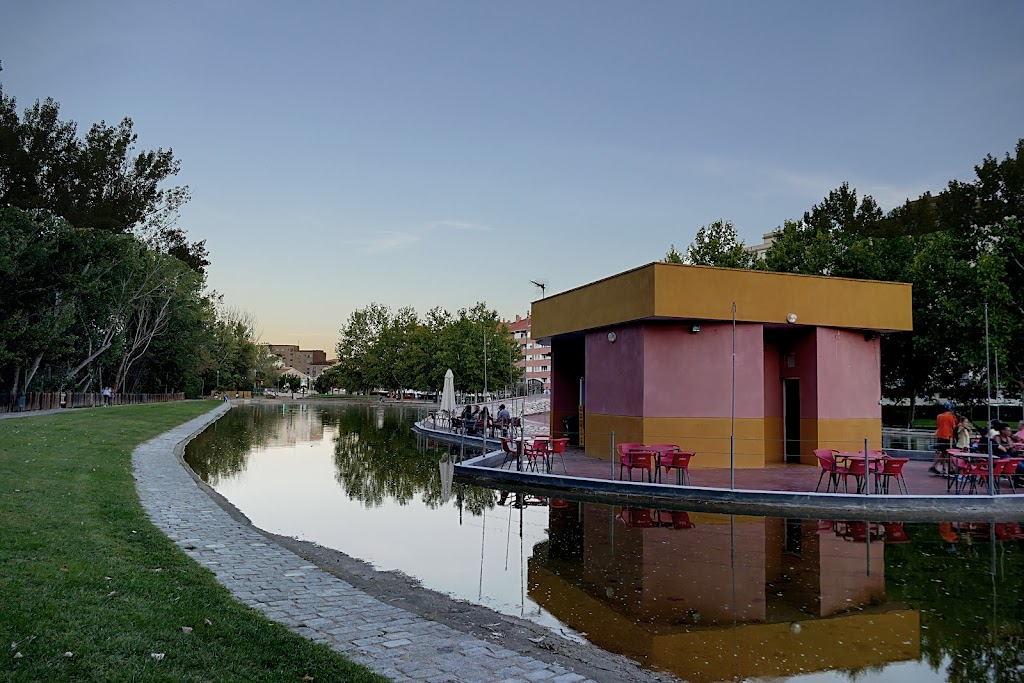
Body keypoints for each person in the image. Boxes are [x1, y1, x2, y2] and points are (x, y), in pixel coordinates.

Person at [930, 403, 957, 476]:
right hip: (947, 436)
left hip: (940, 435)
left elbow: (938, 426)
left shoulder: (939, 416)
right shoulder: (951, 417)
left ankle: (944, 469)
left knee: (943, 453)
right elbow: (954, 427)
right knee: (946, 452)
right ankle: (949, 469)